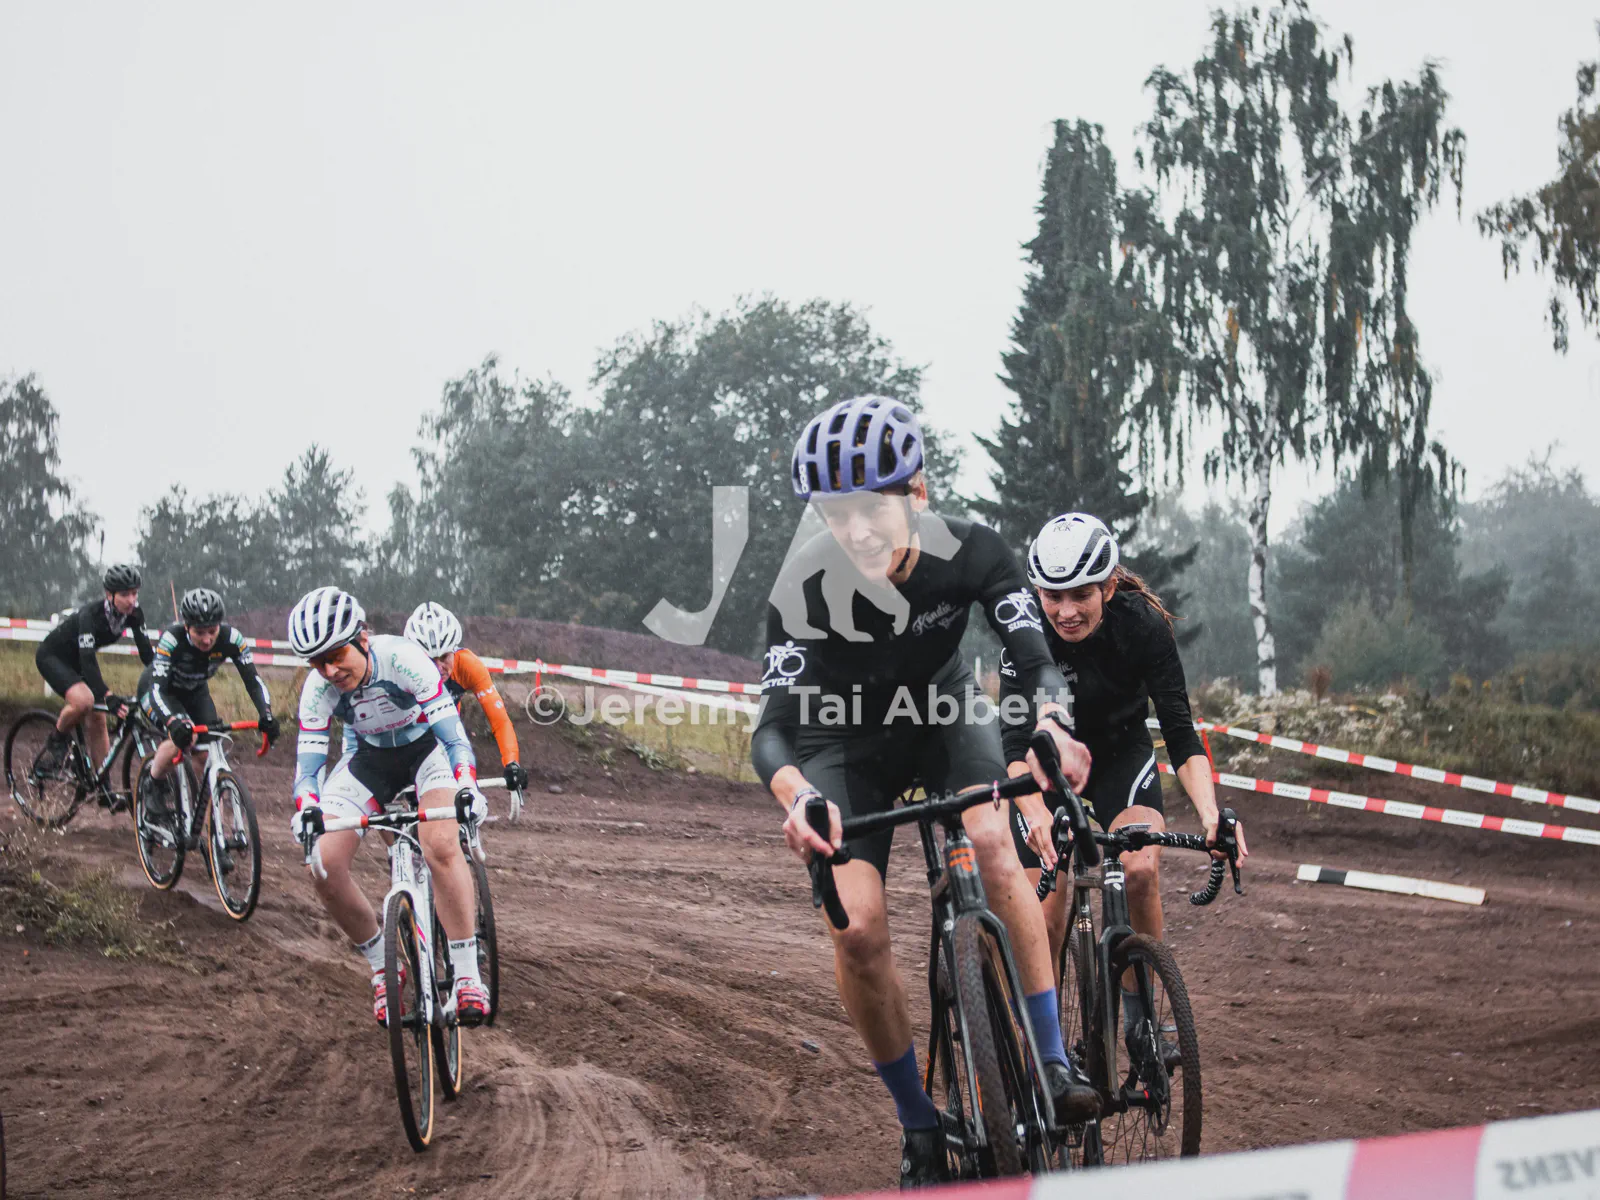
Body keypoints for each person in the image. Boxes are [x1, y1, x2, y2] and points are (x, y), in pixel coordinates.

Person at [751, 395, 1099, 1190]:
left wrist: (1051, 721)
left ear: (918, 493)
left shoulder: (972, 550)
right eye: (836, 513)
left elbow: (1036, 660)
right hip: (842, 744)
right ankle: (917, 1123)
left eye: (873, 508)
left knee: (992, 840)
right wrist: (797, 795)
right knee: (857, 931)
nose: (856, 530)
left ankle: (1051, 1062)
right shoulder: (801, 585)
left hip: (944, 715)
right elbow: (770, 732)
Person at [1000, 513, 1250, 1065]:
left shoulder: (1142, 625)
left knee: (1139, 868)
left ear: (1109, 587)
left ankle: (1142, 1026)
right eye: (1053, 596)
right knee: (1047, 910)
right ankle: (1044, 1055)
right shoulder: (1024, 630)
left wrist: (1210, 815)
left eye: (1081, 595)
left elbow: (1180, 733)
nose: (1066, 611)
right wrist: (1033, 812)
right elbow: (1014, 741)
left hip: (1120, 756)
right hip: (1046, 765)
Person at [286, 586, 491, 1025]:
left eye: (336, 655)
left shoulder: (403, 659)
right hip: (370, 761)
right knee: (322, 863)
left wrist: (467, 784)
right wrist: (307, 807)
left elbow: (453, 737)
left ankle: (467, 975)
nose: (330, 670)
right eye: (317, 662)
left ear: (362, 638)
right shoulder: (318, 689)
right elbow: (309, 768)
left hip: (427, 752)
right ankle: (384, 967)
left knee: (440, 845)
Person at [136, 587, 281, 817]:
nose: (207, 639)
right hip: (159, 692)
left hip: (195, 692)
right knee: (185, 737)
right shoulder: (172, 639)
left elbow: (253, 681)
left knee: (206, 754)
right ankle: (153, 782)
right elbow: (157, 689)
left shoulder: (232, 639)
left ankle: (212, 828)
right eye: (200, 632)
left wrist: (267, 714)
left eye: (212, 631)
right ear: (187, 627)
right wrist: (173, 722)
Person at [34, 564, 153, 789]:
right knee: (84, 702)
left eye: (134, 593)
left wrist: (164, 676)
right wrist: (107, 695)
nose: (131, 600)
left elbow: (147, 655)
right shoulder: (91, 615)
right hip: (53, 657)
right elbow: (88, 661)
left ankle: (103, 787)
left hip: (77, 659)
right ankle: (56, 743)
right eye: (125, 594)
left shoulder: (134, 614)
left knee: (98, 717)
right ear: (109, 595)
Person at [402, 601, 528, 795]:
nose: (438, 667)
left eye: (444, 657)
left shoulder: (468, 666)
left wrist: (512, 763)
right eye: (430, 659)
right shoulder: (402, 668)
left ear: (454, 650)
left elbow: (500, 721)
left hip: (446, 731)